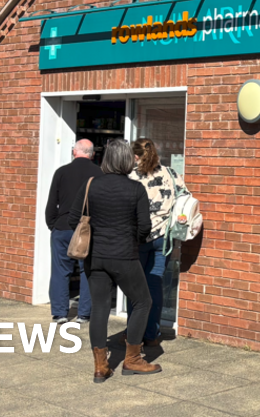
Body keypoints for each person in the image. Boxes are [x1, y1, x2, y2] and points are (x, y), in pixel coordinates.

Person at [69, 138, 161, 382]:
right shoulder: (135, 189)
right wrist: (129, 237)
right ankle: (132, 360)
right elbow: (144, 228)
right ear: (125, 160)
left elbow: (72, 221)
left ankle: (101, 367)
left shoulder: (90, 185)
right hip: (125, 257)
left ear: (106, 159)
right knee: (143, 301)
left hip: (94, 259)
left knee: (99, 307)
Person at [128, 138, 179, 346]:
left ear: (136, 156)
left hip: (139, 238)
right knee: (155, 285)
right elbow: (184, 197)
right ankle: (152, 334)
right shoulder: (170, 173)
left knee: (135, 287)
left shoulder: (131, 176)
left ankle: (134, 333)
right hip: (164, 239)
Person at [45, 139, 101, 324]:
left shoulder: (61, 172)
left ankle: (60, 313)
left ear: (73, 152)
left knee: (61, 271)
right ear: (92, 154)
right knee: (87, 271)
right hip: (87, 228)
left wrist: (53, 224)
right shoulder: (98, 173)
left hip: (62, 227)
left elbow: (52, 203)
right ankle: (84, 314)